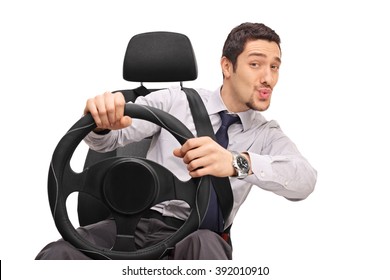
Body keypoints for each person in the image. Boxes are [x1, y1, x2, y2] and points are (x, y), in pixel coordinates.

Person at [36, 22, 317, 260]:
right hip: (134, 224)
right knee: (56, 254)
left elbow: (305, 180)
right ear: (227, 66)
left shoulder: (266, 134)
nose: (268, 78)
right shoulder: (174, 101)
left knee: (207, 248)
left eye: (275, 67)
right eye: (256, 64)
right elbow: (111, 139)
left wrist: (236, 163)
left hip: (196, 237)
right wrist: (102, 122)